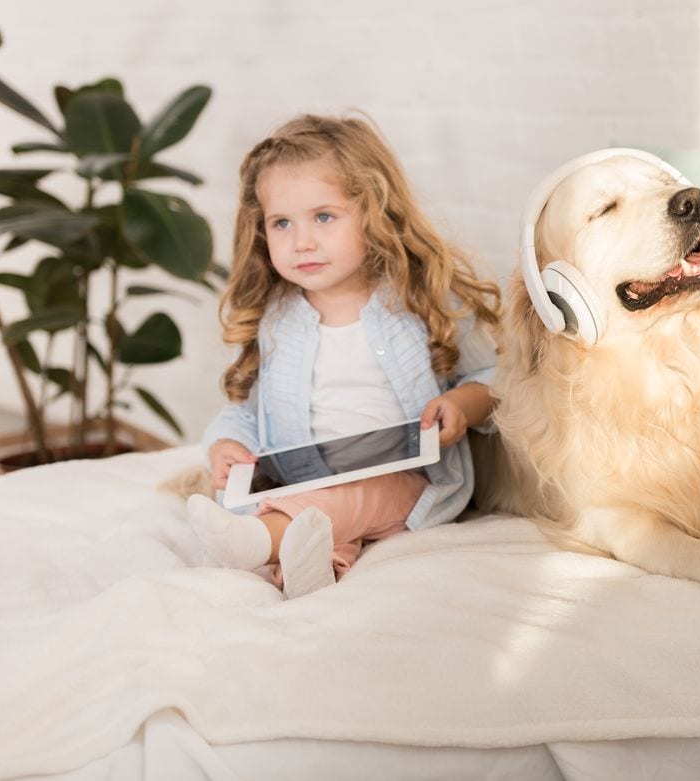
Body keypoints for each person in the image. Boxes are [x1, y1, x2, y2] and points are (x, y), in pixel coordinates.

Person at [188, 114, 500, 599]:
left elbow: (495, 376)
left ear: (374, 213)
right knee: (317, 522)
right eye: (282, 223)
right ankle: (307, 571)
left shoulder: (421, 299)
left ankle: (254, 541)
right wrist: (225, 444)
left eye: (324, 217)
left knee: (340, 497)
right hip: (299, 482)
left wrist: (462, 405)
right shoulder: (276, 319)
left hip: (402, 481)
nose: (302, 241)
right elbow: (245, 411)